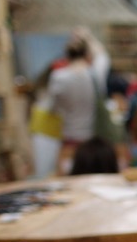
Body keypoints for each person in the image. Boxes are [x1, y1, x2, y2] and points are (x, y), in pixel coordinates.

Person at [47, 27, 110, 175]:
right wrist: (87, 37)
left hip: (69, 141)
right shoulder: (94, 75)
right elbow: (103, 57)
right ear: (87, 55)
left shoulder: (59, 77)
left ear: (66, 56)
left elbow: (53, 108)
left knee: (68, 185)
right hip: (93, 143)